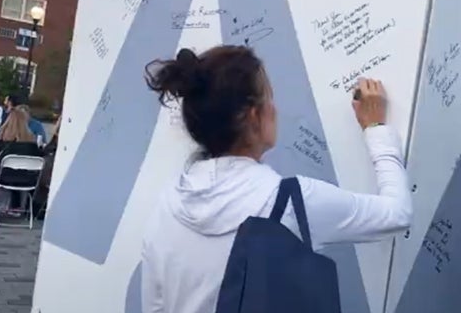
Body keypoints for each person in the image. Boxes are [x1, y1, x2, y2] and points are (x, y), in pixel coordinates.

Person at [141, 46, 413, 313]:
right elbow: (396, 213)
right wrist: (376, 129)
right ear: (253, 116)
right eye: (269, 98)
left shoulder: (167, 206)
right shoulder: (291, 201)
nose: (275, 109)